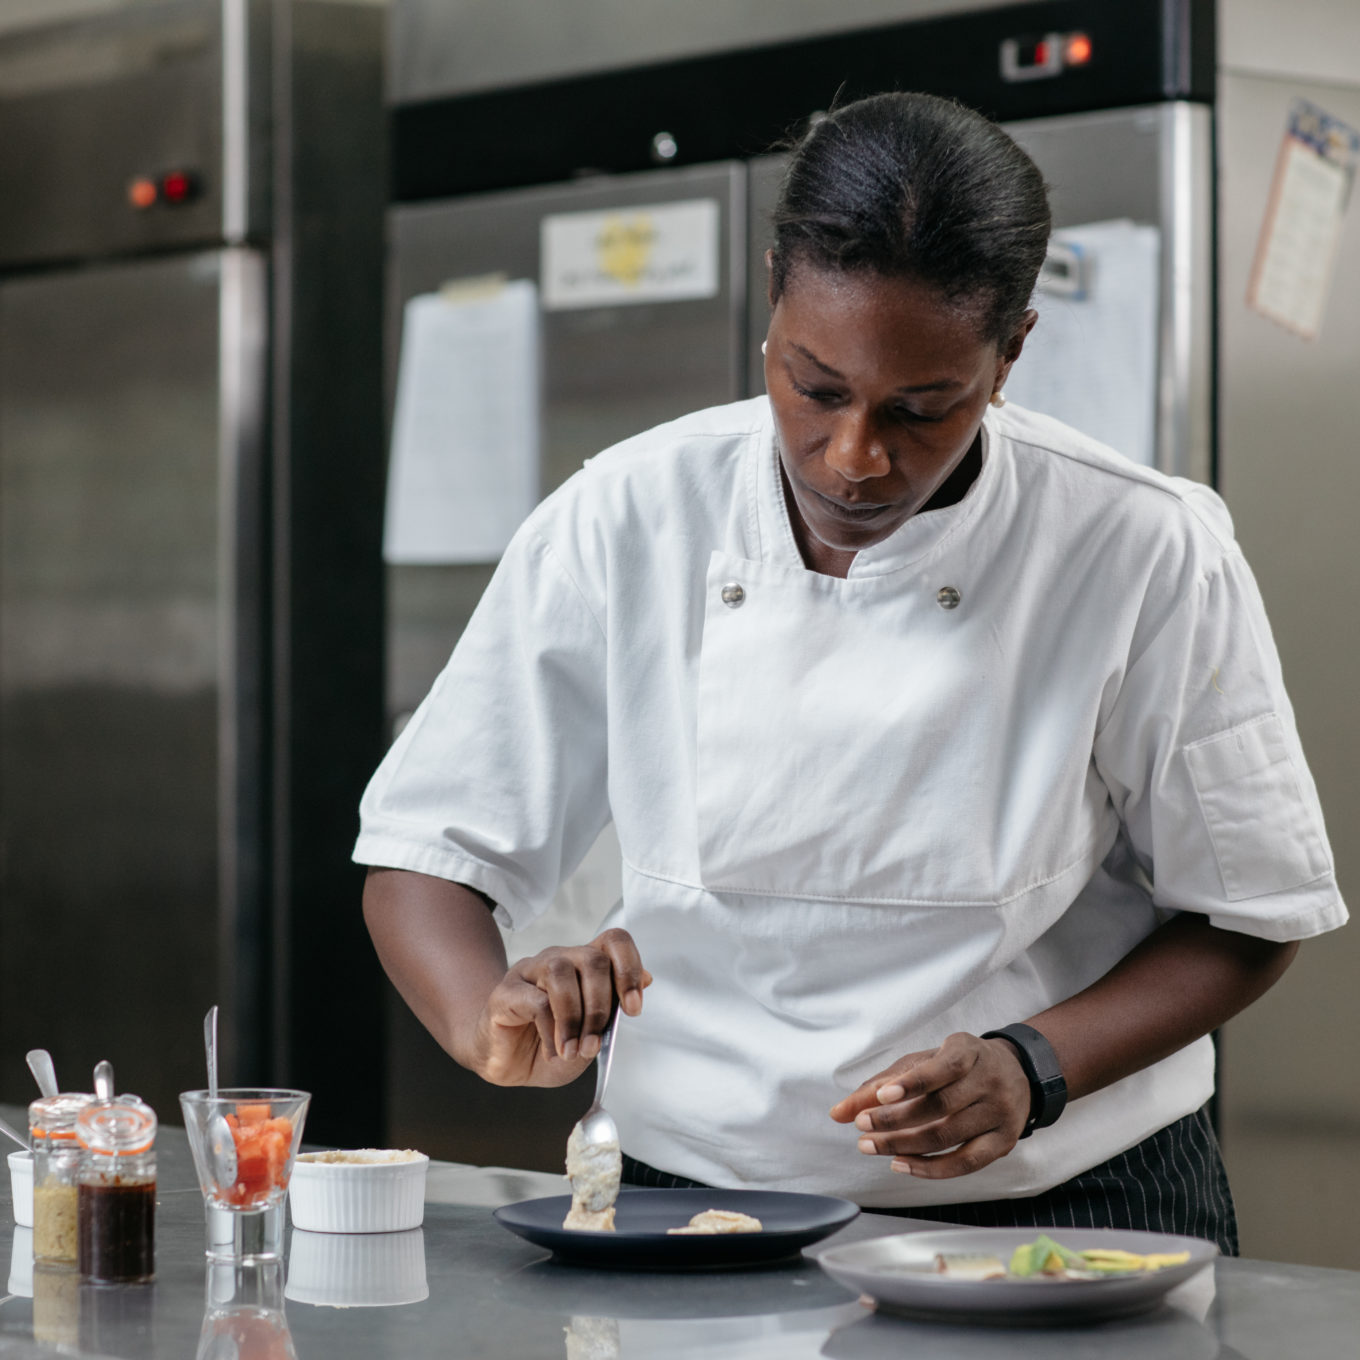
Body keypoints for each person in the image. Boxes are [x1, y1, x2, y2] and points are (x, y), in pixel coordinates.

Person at [355, 92, 1346, 1254]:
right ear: (774, 291)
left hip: (1066, 1201)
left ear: (1011, 350)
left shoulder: (1138, 546)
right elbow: (427, 854)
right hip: (695, 1198)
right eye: (815, 388)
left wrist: (1034, 1066)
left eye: (922, 411)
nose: (854, 457)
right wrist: (490, 1015)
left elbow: (1249, 908)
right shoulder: (629, 514)